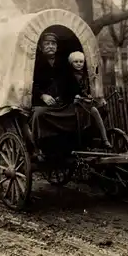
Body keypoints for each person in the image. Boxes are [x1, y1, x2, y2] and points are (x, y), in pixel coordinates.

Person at [29, 32, 93, 160]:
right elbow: (29, 85)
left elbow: (71, 82)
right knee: (39, 115)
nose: (50, 46)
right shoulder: (33, 63)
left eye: (53, 44)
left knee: (79, 111)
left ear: (57, 47)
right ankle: (38, 148)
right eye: (47, 44)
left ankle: (72, 145)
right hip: (41, 102)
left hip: (62, 103)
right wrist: (43, 96)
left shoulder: (63, 63)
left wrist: (78, 95)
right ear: (41, 47)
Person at [68, 51, 113, 149]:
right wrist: (74, 96)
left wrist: (89, 95)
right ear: (71, 63)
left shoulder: (87, 76)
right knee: (85, 115)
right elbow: (65, 91)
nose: (79, 64)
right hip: (72, 103)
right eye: (76, 62)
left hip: (84, 102)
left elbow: (91, 90)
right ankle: (86, 142)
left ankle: (104, 140)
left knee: (97, 110)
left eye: (81, 61)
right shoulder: (67, 76)